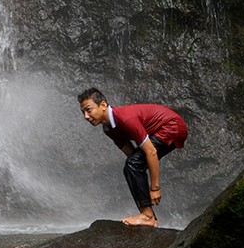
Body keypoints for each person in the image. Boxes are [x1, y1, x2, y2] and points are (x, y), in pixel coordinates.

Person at [77, 88, 188, 227]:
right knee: (130, 166)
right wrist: (137, 173)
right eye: (83, 112)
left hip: (172, 126)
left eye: (88, 110)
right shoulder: (108, 128)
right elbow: (133, 156)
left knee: (133, 164)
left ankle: (147, 216)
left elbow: (151, 152)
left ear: (103, 105)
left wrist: (154, 188)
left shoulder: (126, 118)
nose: (86, 116)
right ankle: (150, 217)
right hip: (160, 131)